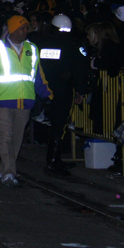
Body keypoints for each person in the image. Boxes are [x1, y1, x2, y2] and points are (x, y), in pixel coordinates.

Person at [0, 15, 53, 187]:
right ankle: (9, 173)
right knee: (5, 136)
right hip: (3, 101)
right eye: (23, 28)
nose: (26, 31)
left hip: (25, 102)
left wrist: (47, 95)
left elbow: (39, 75)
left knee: (16, 139)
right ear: (13, 29)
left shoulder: (32, 48)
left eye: (26, 28)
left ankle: (5, 170)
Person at [37, 14, 89, 176]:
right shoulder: (71, 46)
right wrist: (81, 90)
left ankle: (55, 159)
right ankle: (53, 162)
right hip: (62, 91)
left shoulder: (42, 44)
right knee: (59, 125)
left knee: (53, 124)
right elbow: (80, 70)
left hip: (43, 90)